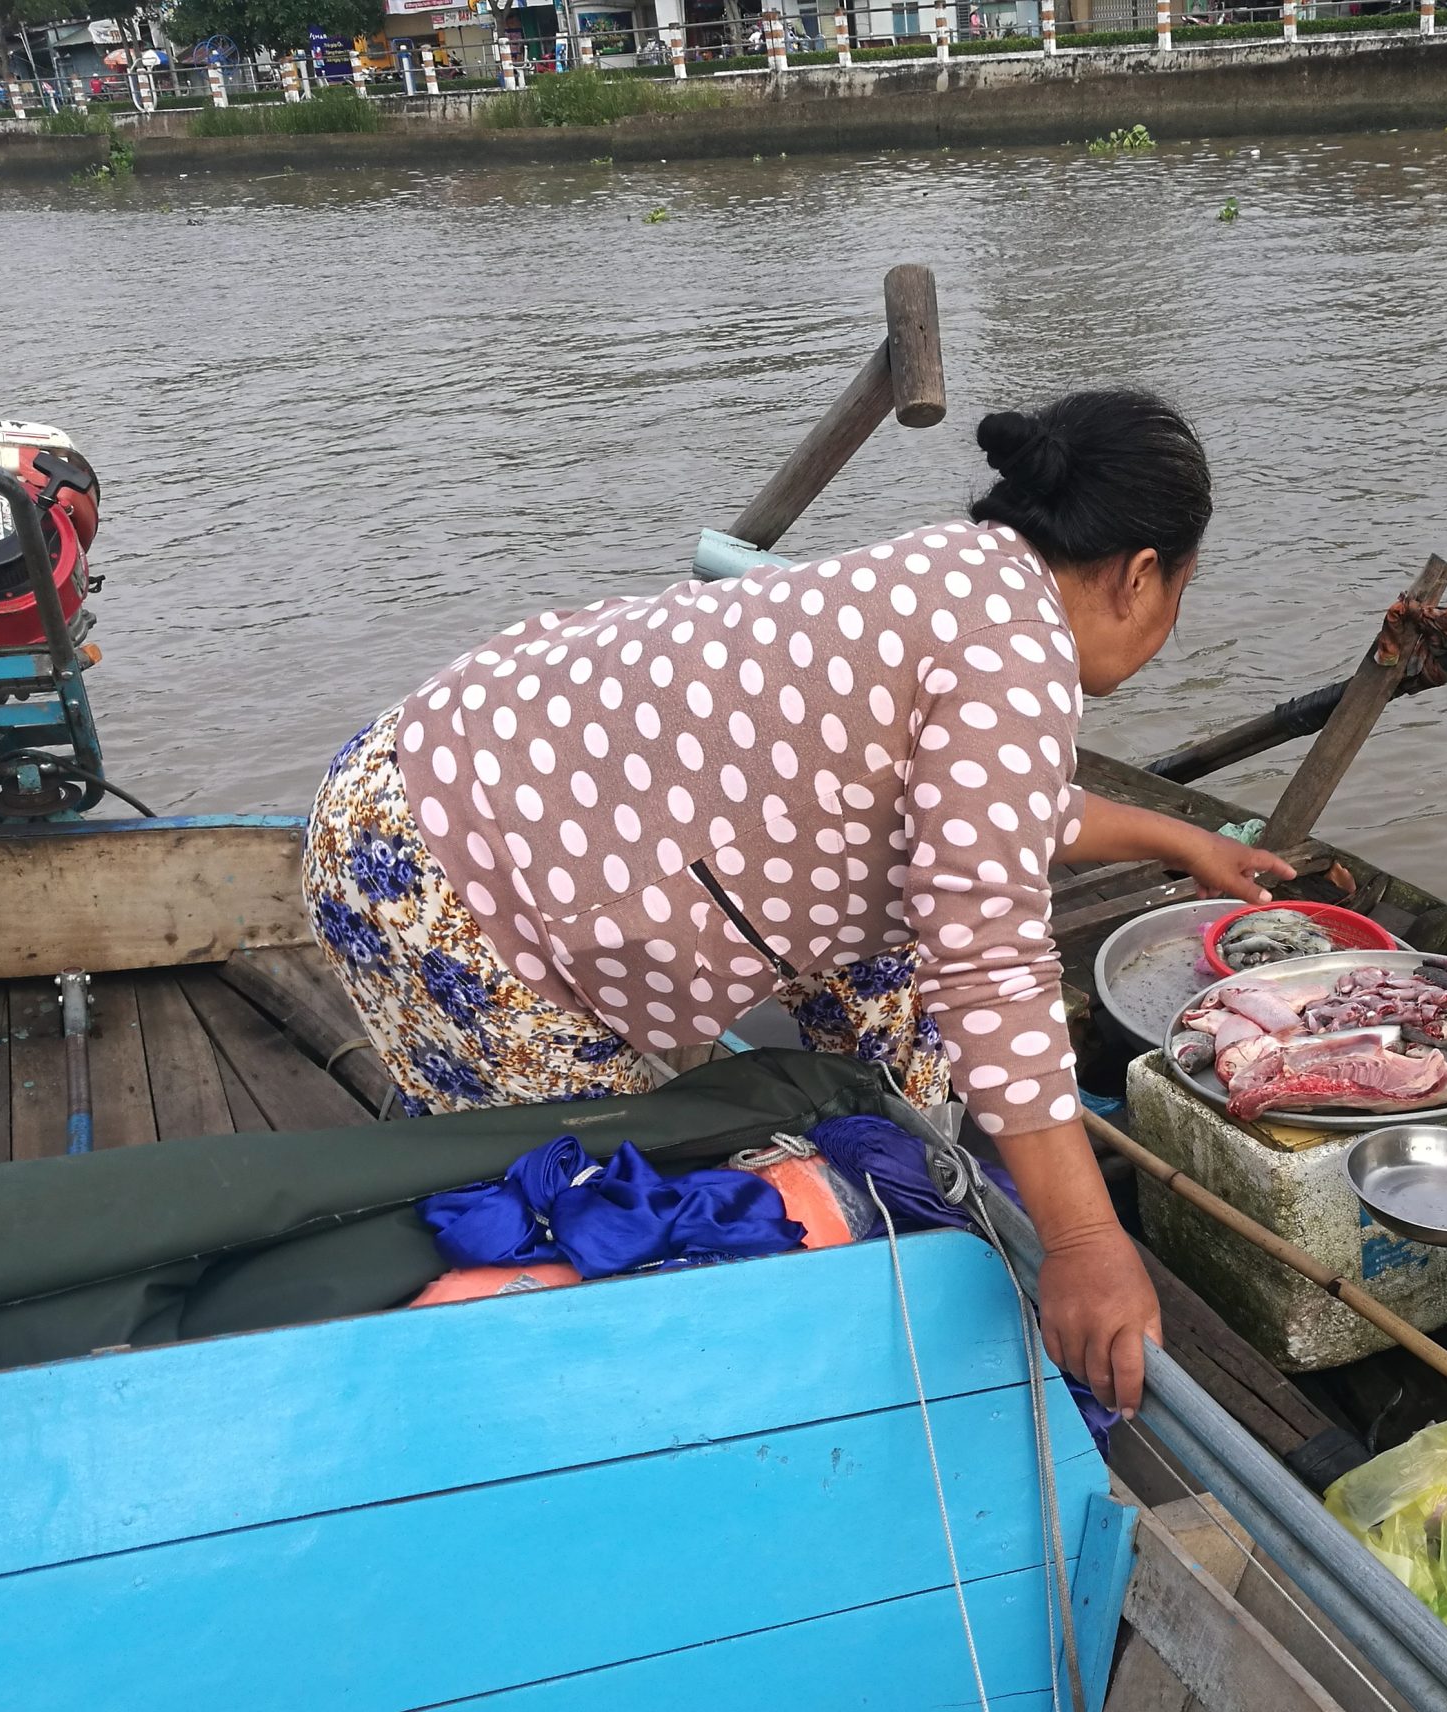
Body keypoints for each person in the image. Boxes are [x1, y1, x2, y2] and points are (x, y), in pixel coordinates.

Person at [303, 389, 1291, 1417]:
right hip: (445, 873)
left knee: (893, 1013)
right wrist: (1087, 1245)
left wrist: (1184, 841)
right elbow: (991, 958)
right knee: (571, 1208)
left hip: (436, 763)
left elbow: (995, 806)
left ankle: (901, 1212)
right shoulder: (1011, 651)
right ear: (1141, 575)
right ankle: (547, 1425)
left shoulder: (961, 576)